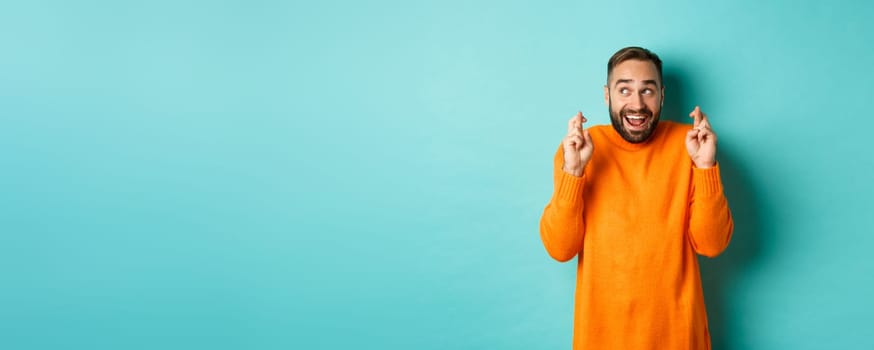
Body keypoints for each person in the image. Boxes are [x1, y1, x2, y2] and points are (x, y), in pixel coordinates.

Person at [539, 46, 734, 349]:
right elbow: (560, 248)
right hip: (602, 339)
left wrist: (705, 165)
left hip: (679, 338)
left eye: (647, 90)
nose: (637, 103)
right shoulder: (580, 151)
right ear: (607, 96)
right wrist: (574, 171)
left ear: (662, 96)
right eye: (625, 90)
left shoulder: (690, 146)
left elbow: (711, 244)